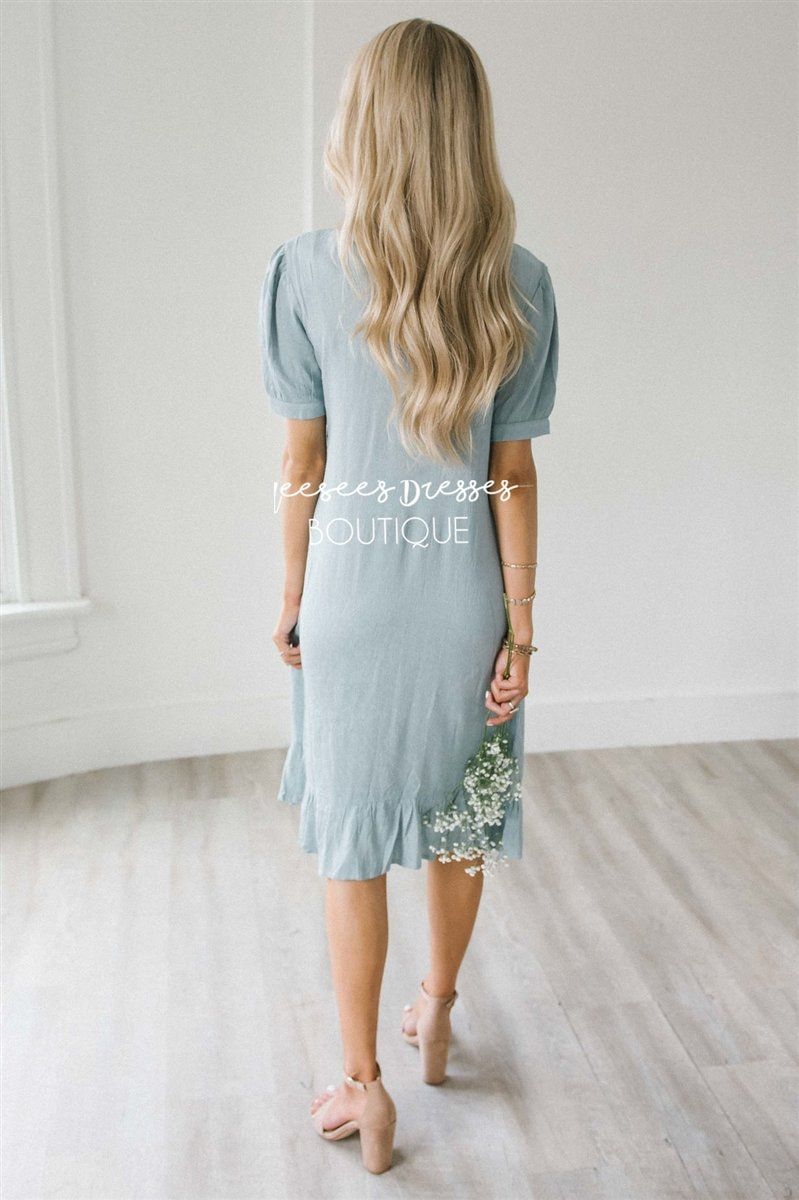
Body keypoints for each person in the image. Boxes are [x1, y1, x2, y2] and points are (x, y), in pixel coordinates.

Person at [259, 17, 558, 1175]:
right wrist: (519, 629)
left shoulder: (302, 271)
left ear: (363, 126)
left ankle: (365, 1090)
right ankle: (434, 1010)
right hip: (464, 605)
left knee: (352, 843)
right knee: (457, 820)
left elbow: (305, 461)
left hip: (350, 600)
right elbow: (512, 476)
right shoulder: (519, 282)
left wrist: (293, 593)